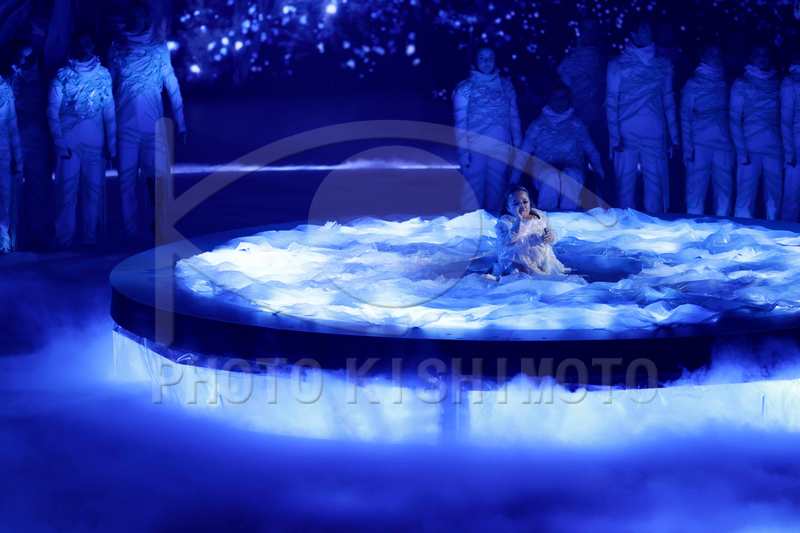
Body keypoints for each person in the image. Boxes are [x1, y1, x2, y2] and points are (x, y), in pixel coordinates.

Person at [108, 0, 186, 239]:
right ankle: (129, 228)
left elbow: (172, 85)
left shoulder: (159, 49)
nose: (135, 20)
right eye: (131, 15)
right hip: (125, 123)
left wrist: (181, 122)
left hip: (152, 125)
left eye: (139, 15)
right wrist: (105, 126)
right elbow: (107, 89)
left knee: (157, 177)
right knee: (126, 179)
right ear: (126, 17)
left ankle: (161, 223)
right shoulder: (116, 48)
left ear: (146, 18)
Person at [47, 31, 116, 248]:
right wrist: (60, 143)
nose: (83, 47)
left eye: (87, 43)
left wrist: (111, 144)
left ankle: (90, 238)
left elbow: (109, 110)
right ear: (73, 45)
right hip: (69, 144)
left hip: (95, 143)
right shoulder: (62, 75)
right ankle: (64, 241)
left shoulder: (103, 75)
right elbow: (52, 111)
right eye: (79, 43)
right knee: (66, 193)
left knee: (93, 192)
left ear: (93, 45)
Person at [606, 19, 679, 213]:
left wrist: (673, 134)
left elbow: (668, 100)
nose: (649, 31)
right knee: (625, 186)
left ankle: (654, 225)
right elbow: (611, 102)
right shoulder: (618, 65)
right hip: (627, 133)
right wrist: (614, 137)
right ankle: (626, 226)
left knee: (655, 186)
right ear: (633, 34)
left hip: (655, 132)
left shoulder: (662, 64)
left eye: (649, 27)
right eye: (643, 28)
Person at [512, 82, 604, 210]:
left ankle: (568, 216)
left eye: (564, 97)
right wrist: (515, 179)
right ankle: (547, 217)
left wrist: (598, 170)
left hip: (572, 168)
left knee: (570, 176)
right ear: (549, 100)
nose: (560, 101)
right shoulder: (538, 126)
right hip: (543, 170)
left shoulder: (576, 125)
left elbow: (591, 150)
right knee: (551, 177)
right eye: (556, 97)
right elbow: (524, 153)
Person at [453, 46, 522, 216]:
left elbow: (514, 119)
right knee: (472, 190)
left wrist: (518, 148)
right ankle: (469, 225)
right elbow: (460, 123)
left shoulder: (506, 86)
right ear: (475, 61)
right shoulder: (465, 88)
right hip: (475, 149)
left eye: (490, 57)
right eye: (482, 58)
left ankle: (495, 225)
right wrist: (463, 153)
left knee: (498, 189)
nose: (486, 62)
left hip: (500, 146)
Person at [558, 18, 613, 203]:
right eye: (585, 28)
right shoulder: (569, 63)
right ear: (580, 31)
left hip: (602, 123)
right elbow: (563, 97)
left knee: (604, 168)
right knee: (576, 169)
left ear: (597, 32)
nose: (589, 32)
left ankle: (607, 208)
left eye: (592, 29)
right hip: (577, 123)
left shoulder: (608, 62)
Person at [730, 44, 783, 220]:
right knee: (745, 194)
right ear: (751, 58)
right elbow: (734, 119)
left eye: (765, 53)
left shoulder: (778, 83)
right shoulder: (742, 84)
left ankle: (773, 228)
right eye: (757, 54)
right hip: (750, 146)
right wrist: (741, 151)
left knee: (774, 195)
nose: (762, 57)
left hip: (774, 146)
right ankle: (741, 229)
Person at [681, 45, 734, 216]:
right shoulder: (693, 84)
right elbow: (685, 115)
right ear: (703, 58)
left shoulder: (727, 82)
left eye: (719, 54)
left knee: (724, 186)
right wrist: (688, 148)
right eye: (711, 54)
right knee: (696, 185)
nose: (716, 58)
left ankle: (723, 223)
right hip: (699, 141)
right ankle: (694, 221)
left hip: (723, 141)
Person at [11, 41, 53, 250]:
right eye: (20, 55)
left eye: (28, 56)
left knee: (38, 189)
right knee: (11, 190)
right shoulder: (7, 79)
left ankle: (35, 234)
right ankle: (9, 237)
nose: (24, 60)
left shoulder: (45, 81)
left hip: (39, 141)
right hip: (13, 142)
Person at [494, 185, 568, 276]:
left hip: (541, 258)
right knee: (518, 272)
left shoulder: (539, 215)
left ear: (529, 202)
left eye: (525, 202)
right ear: (508, 208)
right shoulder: (505, 222)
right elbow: (508, 243)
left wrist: (551, 236)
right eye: (516, 204)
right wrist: (518, 220)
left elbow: (552, 233)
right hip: (517, 259)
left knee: (546, 271)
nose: (521, 206)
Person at [0, 54, 23, 252]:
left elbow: (12, 125)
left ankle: (3, 239)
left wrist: (17, 157)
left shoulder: (5, 90)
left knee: (5, 195)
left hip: (3, 151)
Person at [780, 61, 800, 222]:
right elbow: (785, 119)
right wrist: (789, 151)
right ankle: (787, 228)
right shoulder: (791, 83)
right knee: (792, 192)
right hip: (797, 144)